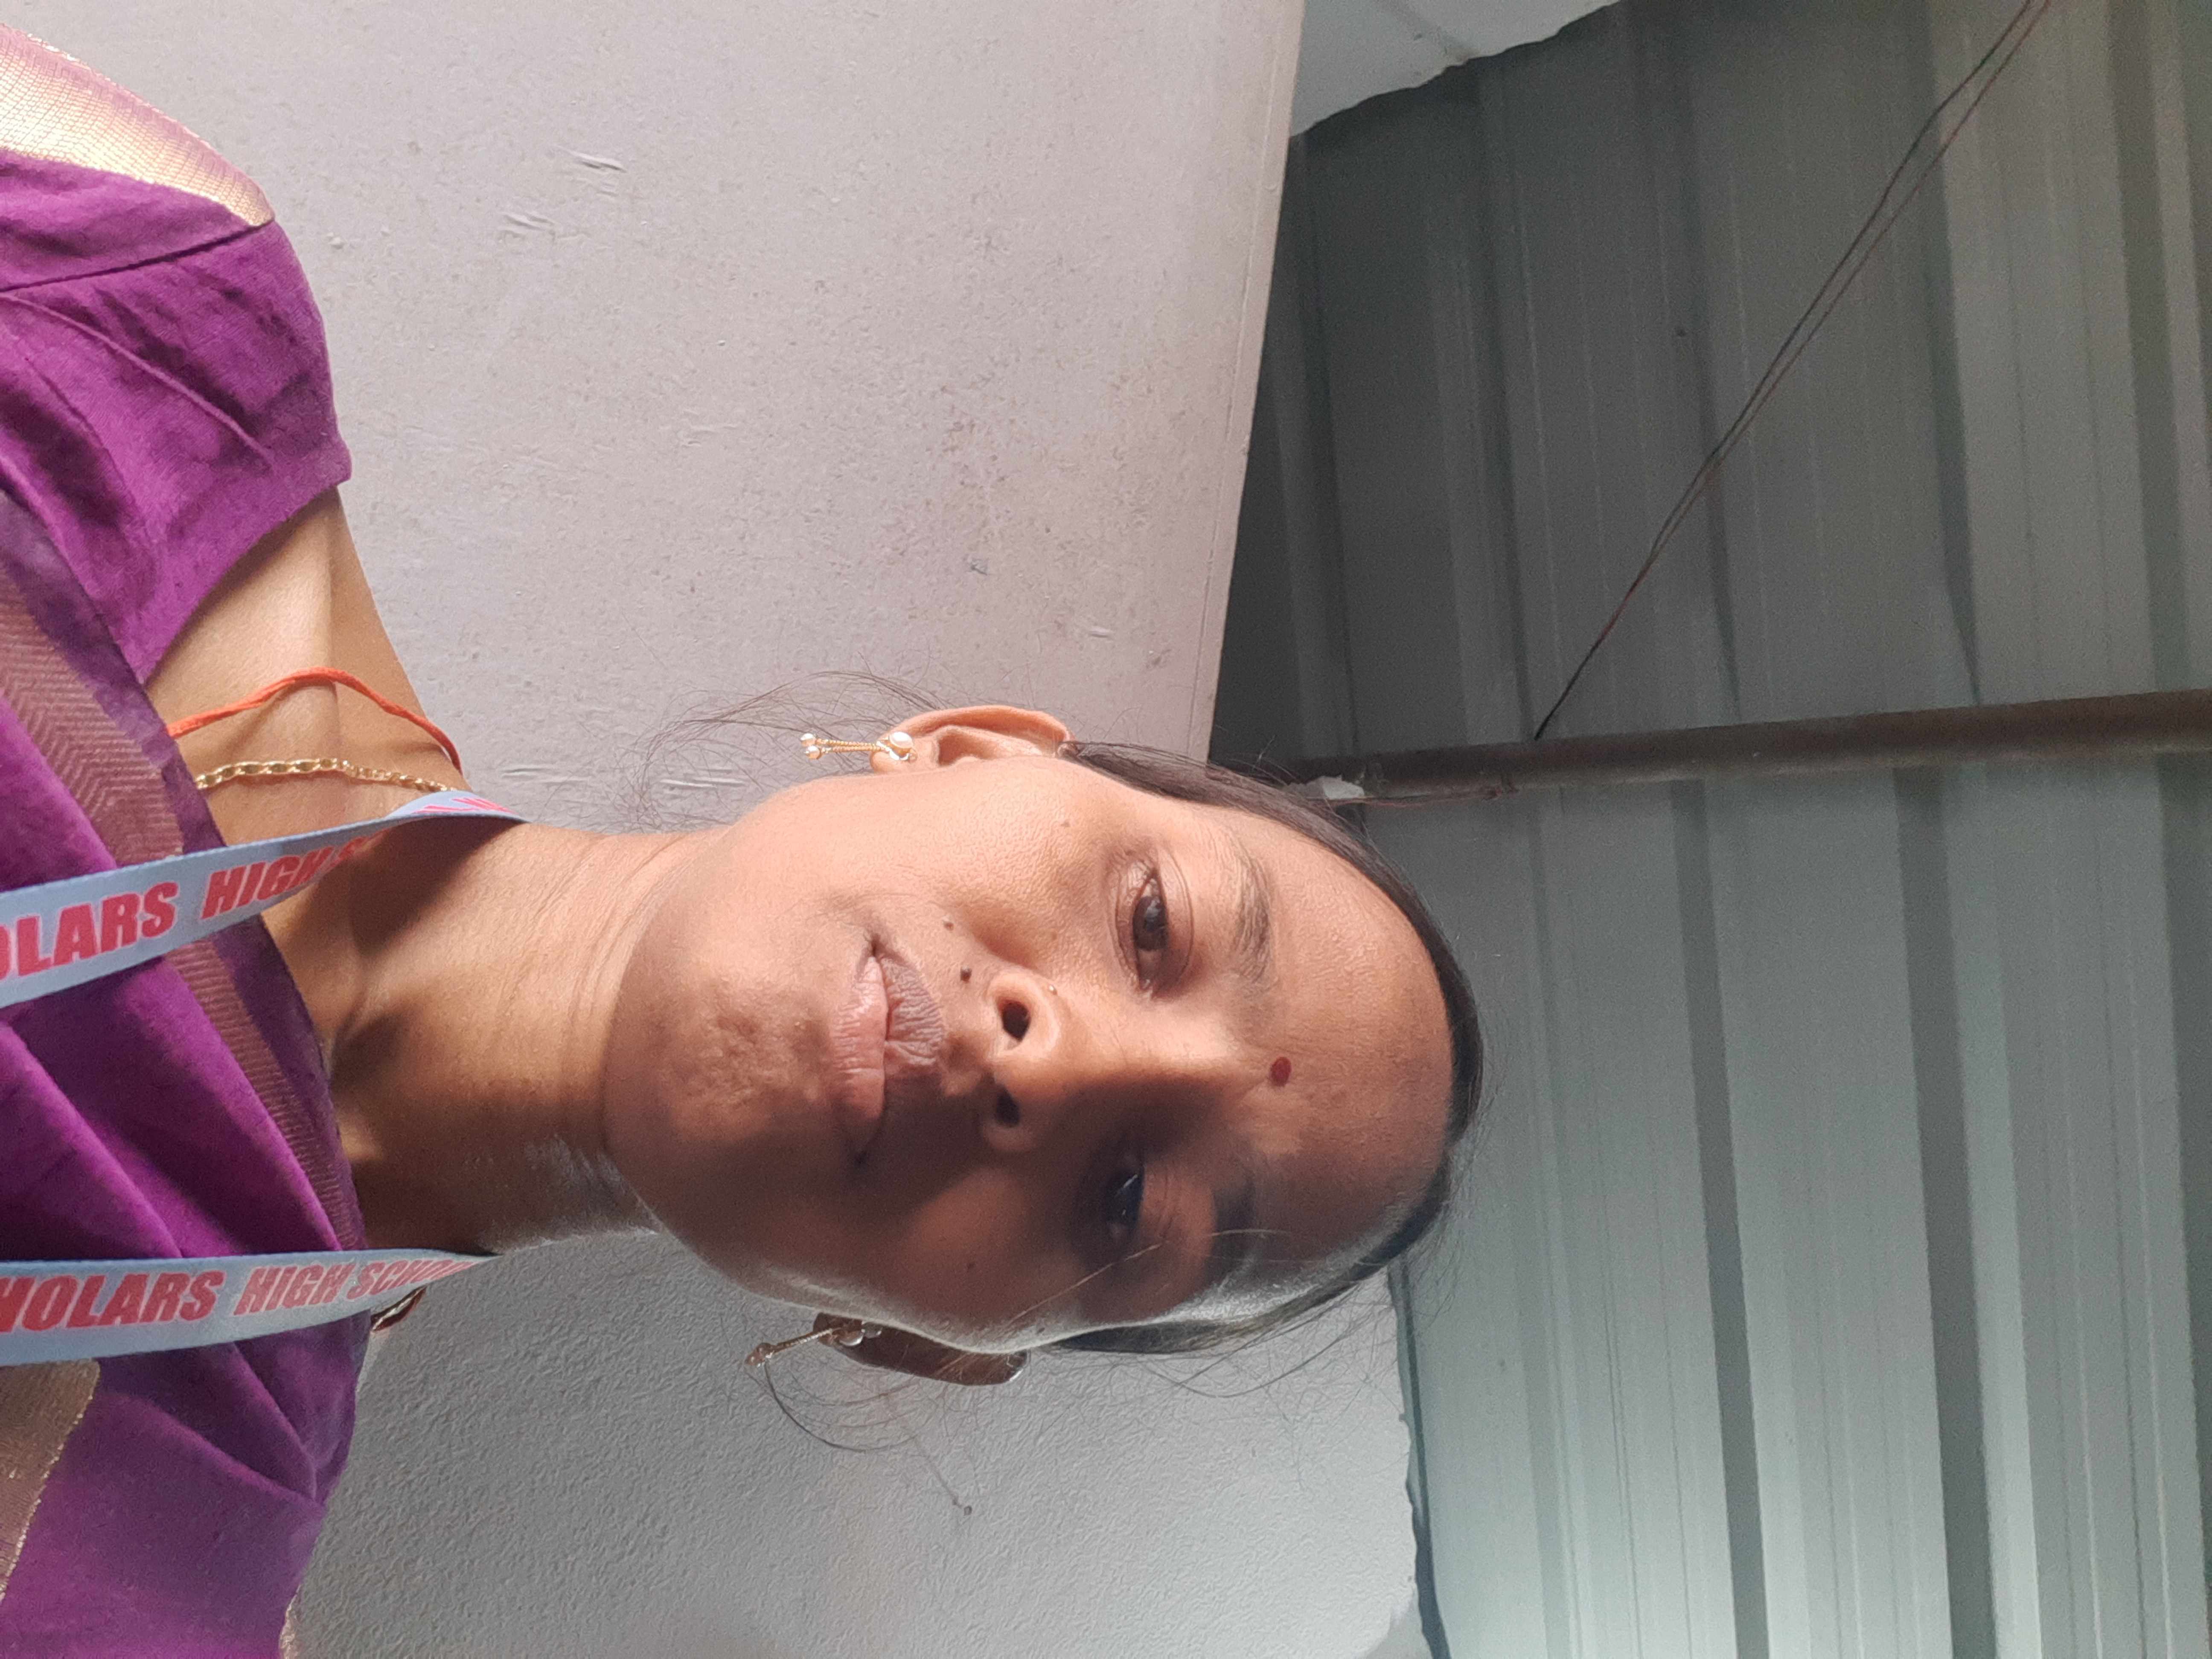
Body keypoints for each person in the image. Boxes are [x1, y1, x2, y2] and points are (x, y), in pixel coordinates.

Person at [0, 26, 1480, 1654]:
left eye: (1128, 1203)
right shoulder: (144, 296)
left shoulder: (144, 1575)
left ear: (934, 1347)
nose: (1053, 1063)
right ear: (971, 745)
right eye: (1151, 926)